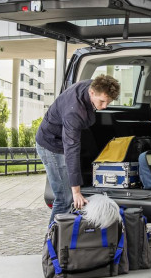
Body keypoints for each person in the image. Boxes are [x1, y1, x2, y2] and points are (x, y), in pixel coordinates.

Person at [36, 74, 120, 223]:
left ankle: (67, 238)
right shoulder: (74, 112)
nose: (105, 106)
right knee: (64, 198)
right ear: (92, 93)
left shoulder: (92, 85)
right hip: (51, 145)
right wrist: (76, 191)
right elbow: (71, 149)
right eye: (102, 101)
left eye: (108, 102)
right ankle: (52, 243)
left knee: (67, 196)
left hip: (63, 140)